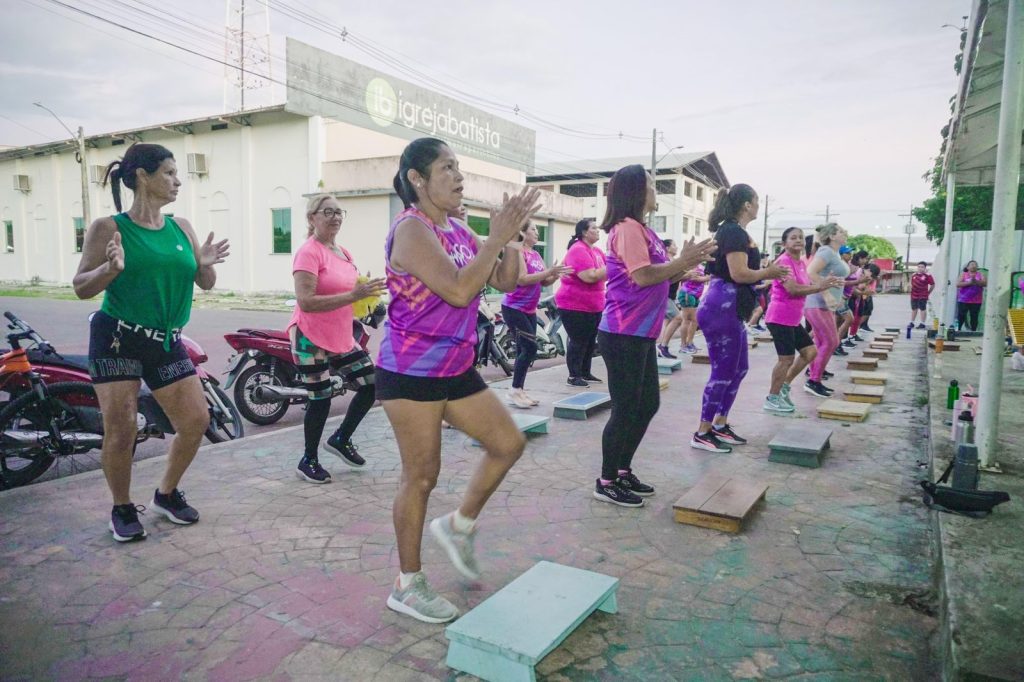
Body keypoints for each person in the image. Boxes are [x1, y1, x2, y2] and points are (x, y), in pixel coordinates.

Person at [376, 137, 541, 623]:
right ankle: (407, 584)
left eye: (459, 167)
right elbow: (457, 289)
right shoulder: (411, 230)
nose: (459, 176)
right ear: (417, 179)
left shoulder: (460, 230)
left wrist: (509, 239)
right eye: (447, 168)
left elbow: (504, 282)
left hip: (454, 365)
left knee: (508, 443)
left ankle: (460, 524)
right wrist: (495, 239)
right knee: (422, 476)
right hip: (410, 370)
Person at [73, 143, 230, 542]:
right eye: (169, 173)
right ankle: (122, 507)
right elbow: (80, 287)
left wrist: (205, 264)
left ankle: (166, 493)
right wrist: (110, 269)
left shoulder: (182, 227)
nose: (177, 181)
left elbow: (205, 283)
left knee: (196, 420)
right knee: (122, 428)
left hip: (165, 339)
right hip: (118, 337)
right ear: (143, 176)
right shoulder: (109, 228)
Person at [596, 165, 715, 505]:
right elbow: (644, 276)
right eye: (650, 185)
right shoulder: (628, 228)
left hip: (639, 333)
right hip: (623, 333)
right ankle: (606, 479)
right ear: (635, 191)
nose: (655, 190)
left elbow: (657, 275)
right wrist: (682, 260)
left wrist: (683, 265)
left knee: (646, 404)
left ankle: (621, 470)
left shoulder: (643, 231)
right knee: (625, 408)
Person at [289, 195, 387, 484]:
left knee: (372, 384)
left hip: (341, 334)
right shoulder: (309, 252)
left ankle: (341, 438)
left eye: (339, 212)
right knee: (320, 399)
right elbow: (306, 301)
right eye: (327, 212)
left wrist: (365, 294)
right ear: (312, 218)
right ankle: (308, 460)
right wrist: (352, 295)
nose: (335, 217)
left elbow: (349, 290)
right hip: (310, 335)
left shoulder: (343, 252)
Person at [691, 184, 789, 453]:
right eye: (756, 201)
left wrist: (762, 279)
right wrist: (767, 273)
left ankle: (719, 425)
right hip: (722, 305)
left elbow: (741, 276)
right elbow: (738, 273)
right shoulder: (732, 231)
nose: (758, 206)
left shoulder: (735, 231)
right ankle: (702, 432)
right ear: (747, 204)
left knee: (739, 368)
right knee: (723, 371)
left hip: (730, 304)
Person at [763, 228, 843, 413]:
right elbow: (792, 289)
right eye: (793, 238)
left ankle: (783, 386)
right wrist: (819, 287)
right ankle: (772, 398)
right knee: (786, 359)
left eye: (800, 237)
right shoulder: (783, 262)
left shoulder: (799, 262)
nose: (798, 240)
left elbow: (805, 284)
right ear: (784, 244)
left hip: (792, 319)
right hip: (779, 317)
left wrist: (824, 284)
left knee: (810, 352)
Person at [502, 224, 571, 408]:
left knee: (524, 350)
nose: (537, 232)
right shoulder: (518, 252)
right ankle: (514, 389)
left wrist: (555, 274)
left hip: (530, 309)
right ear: (523, 233)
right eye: (533, 229)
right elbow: (522, 279)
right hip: (514, 308)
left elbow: (544, 280)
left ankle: (518, 389)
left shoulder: (535, 254)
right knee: (530, 348)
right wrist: (548, 272)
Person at [555, 218, 607, 387]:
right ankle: (573, 375)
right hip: (574, 304)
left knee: (590, 340)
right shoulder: (578, 250)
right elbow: (589, 276)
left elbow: (607, 271)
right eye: (594, 228)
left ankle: (585, 372)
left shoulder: (597, 251)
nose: (598, 231)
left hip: (594, 304)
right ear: (584, 232)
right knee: (579, 340)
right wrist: (611, 268)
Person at [802, 223, 850, 398]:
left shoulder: (835, 253)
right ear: (831, 236)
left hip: (825, 305)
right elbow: (811, 272)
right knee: (831, 342)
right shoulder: (826, 251)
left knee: (824, 342)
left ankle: (814, 377)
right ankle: (813, 381)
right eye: (840, 231)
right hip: (817, 303)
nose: (844, 233)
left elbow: (832, 276)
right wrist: (827, 294)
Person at [657, 239, 685, 358]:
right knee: (678, 318)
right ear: (667, 248)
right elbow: (666, 278)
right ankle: (663, 346)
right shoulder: (666, 261)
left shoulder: (673, 261)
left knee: (668, 322)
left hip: (671, 296)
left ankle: (662, 347)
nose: (676, 247)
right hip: (665, 295)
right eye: (674, 245)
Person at [676, 264, 709, 354]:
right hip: (687, 293)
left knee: (695, 320)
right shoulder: (691, 264)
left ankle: (689, 342)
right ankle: (683, 345)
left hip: (696, 295)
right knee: (686, 320)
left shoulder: (701, 266)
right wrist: (708, 278)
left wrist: (707, 277)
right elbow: (693, 278)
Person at [956, 260, 986, 331]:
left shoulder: (980, 274)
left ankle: (973, 331)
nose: (973, 266)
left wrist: (976, 282)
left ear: (977, 267)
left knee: (974, 317)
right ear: (967, 267)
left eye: (975, 264)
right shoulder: (963, 274)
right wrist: (969, 283)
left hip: (976, 301)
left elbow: (985, 283)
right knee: (961, 316)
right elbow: (958, 284)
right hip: (963, 300)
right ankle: (958, 330)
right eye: (972, 264)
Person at [909, 261, 935, 329]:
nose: (920, 268)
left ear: (925, 268)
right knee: (914, 308)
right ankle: (912, 322)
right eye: (919, 267)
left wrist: (928, 292)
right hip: (914, 295)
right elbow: (911, 284)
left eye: (922, 267)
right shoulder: (914, 275)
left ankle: (922, 323)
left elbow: (932, 284)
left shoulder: (928, 275)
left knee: (922, 308)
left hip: (923, 295)